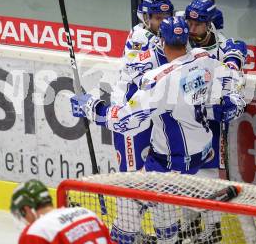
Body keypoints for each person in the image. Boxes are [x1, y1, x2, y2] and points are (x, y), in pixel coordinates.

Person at [71, 16, 245, 244]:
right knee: (164, 213)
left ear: (161, 41)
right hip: (202, 157)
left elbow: (126, 121)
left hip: (171, 165)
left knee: (128, 204)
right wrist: (234, 59)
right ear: (186, 39)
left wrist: (92, 107)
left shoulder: (159, 80)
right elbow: (233, 84)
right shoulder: (205, 59)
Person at [111, 0, 173, 173]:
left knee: (152, 173)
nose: (164, 23)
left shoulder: (165, 34)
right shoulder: (138, 38)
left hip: (151, 114)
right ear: (146, 18)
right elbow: (145, 78)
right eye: (158, 18)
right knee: (131, 176)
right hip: (129, 116)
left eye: (167, 17)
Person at [185, 0, 248, 179]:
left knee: (208, 184)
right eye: (189, 22)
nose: (192, 28)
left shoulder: (226, 49)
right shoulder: (180, 40)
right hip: (179, 125)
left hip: (208, 130)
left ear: (210, 24)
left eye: (198, 24)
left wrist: (232, 103)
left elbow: (235, 91)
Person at [10, 179, 113, 244]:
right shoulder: (87, 214)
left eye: (22, 214)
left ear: (27, 209)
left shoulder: (36, 232)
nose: (24, 219)